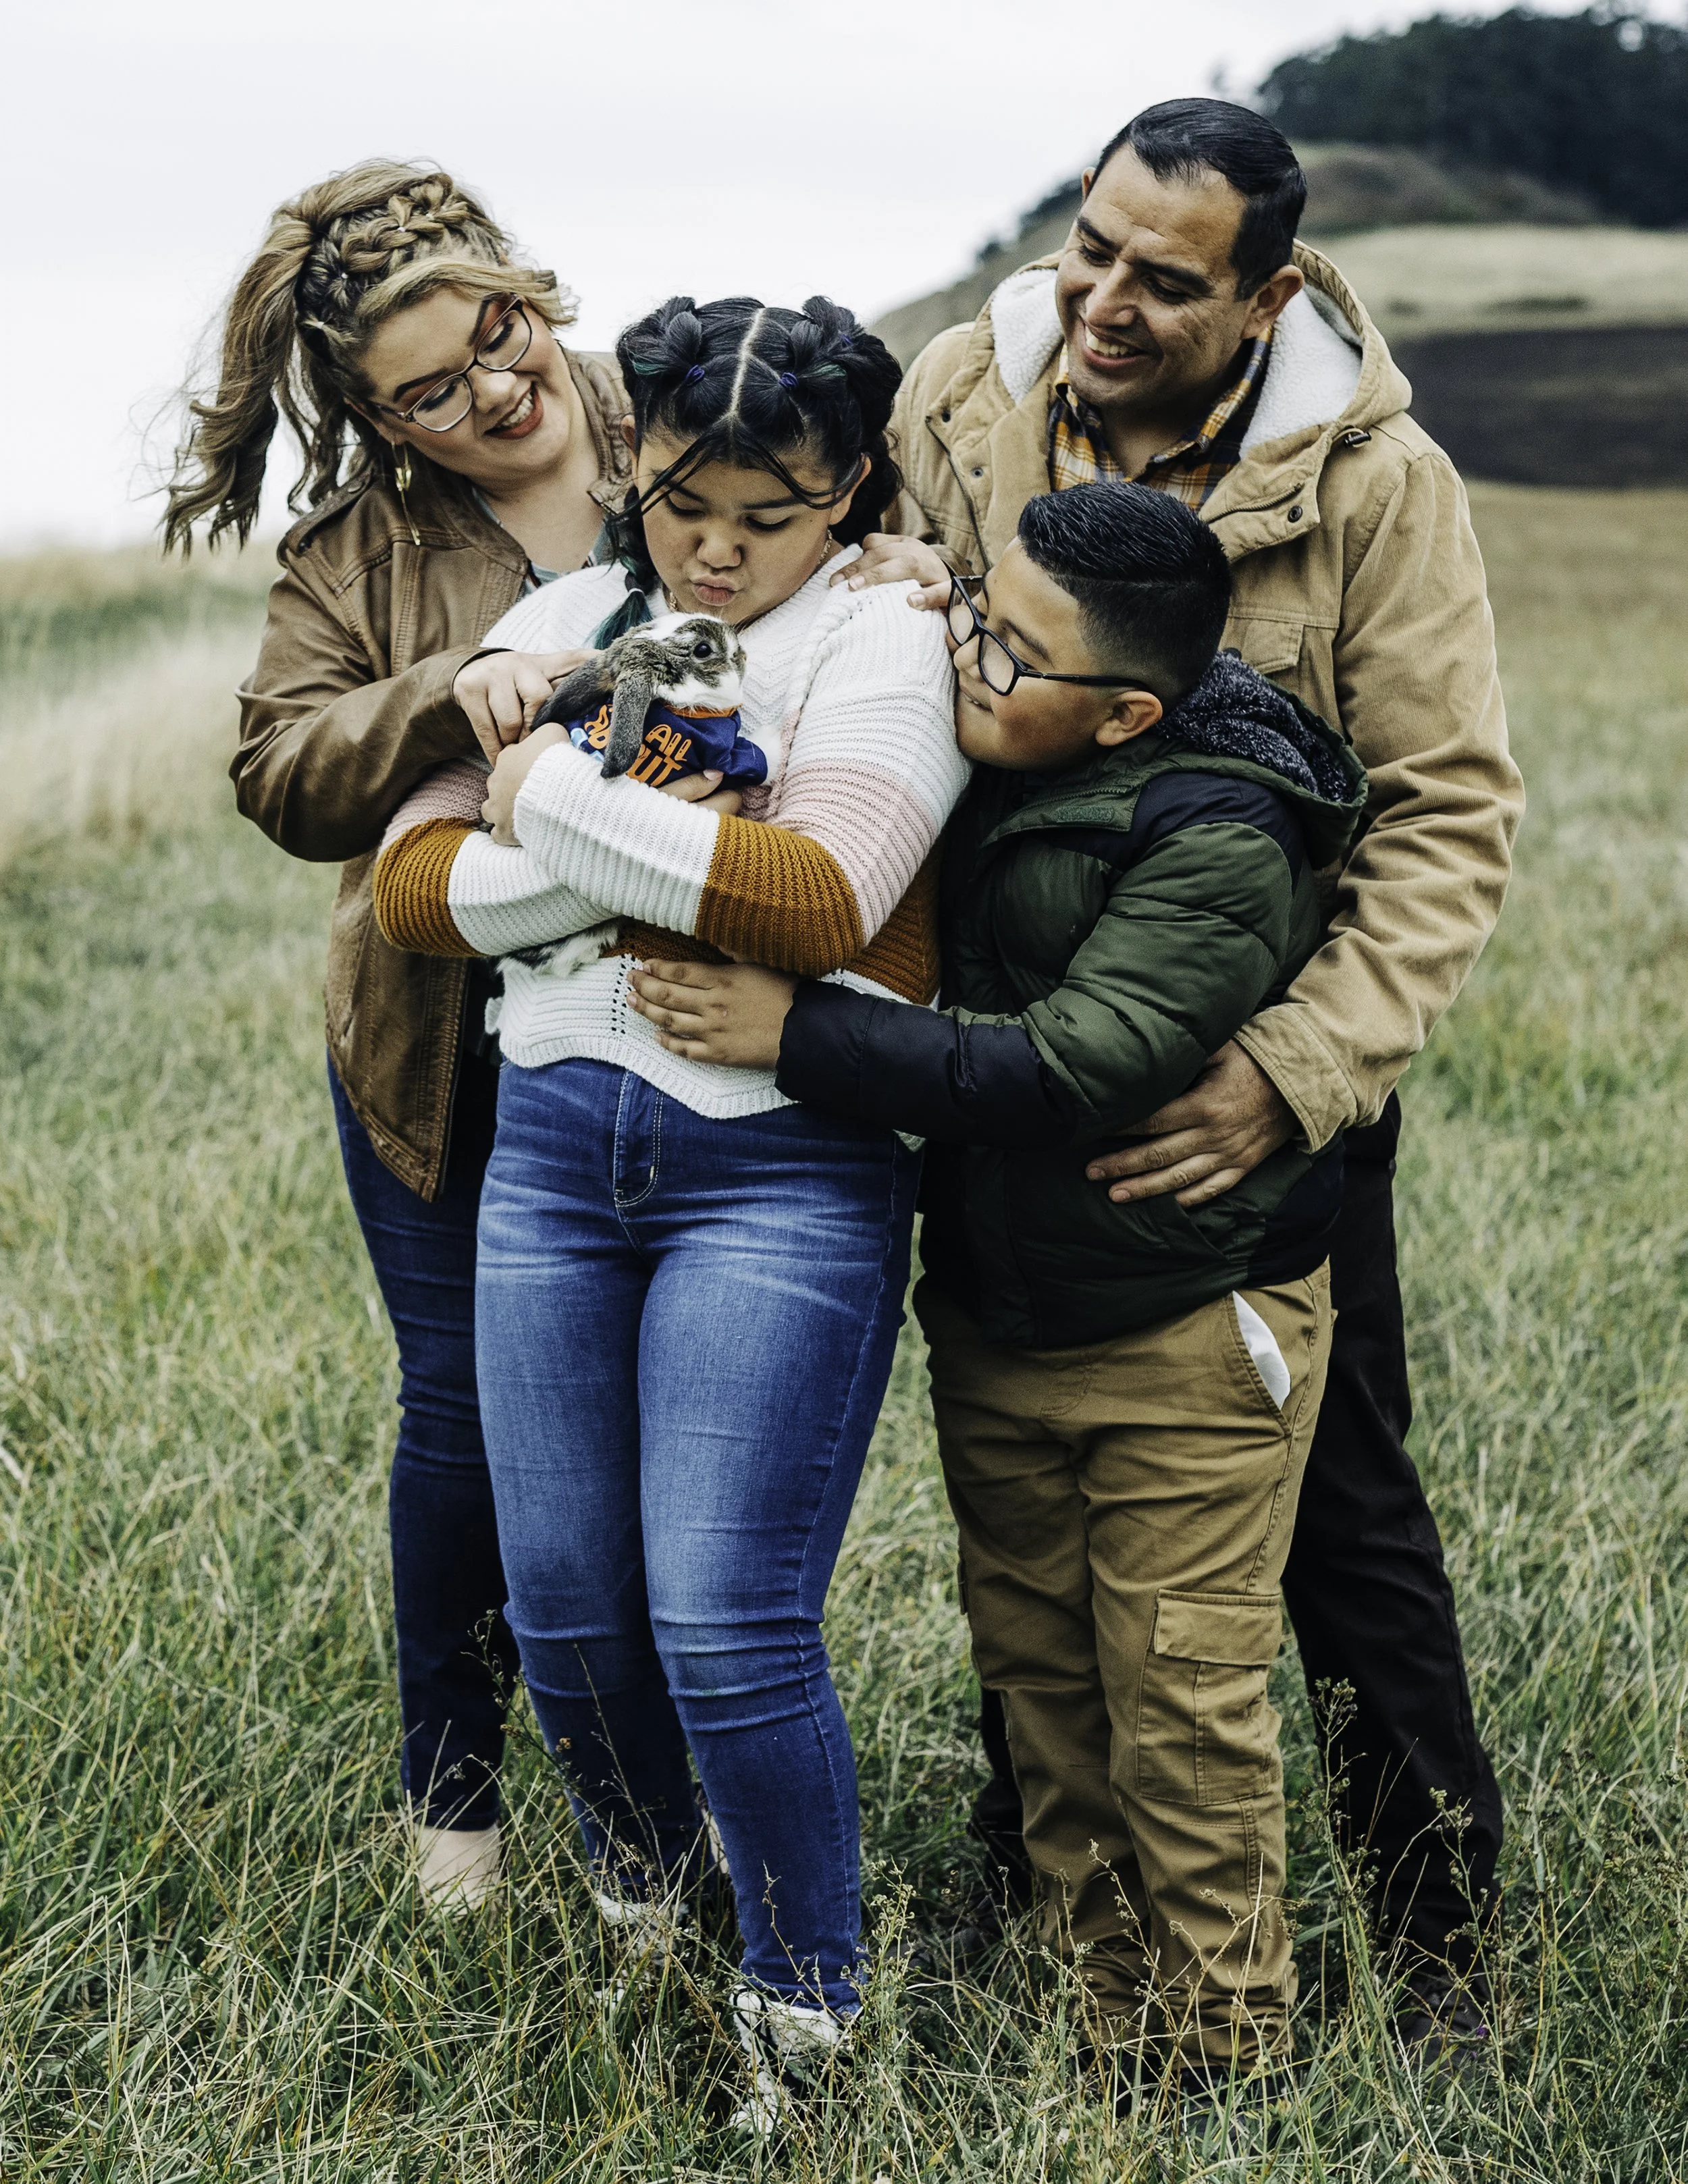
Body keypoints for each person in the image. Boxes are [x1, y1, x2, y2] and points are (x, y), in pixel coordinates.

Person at [843, 97, 1523, 2037]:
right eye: (1091, 246)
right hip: (993, 1063)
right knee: (1038, 1538)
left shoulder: (1376, 486)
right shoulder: (955, 403)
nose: (1105, 299)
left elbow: (1446, 815)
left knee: (1347, 1526)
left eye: (1164, 277)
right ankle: (1069, 1922)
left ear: (1266, 294)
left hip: (1250, 1104)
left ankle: (1435, 1943)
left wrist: (1291, 1073)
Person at [625, 479, 1367, 2095]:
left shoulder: (1221, 830)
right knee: (1039, 1688)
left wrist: (794, 1037)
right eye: (974, 608)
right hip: (996, 1318)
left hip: (1179, 1327)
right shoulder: (999, 734)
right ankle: (1101, 2021)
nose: (963, 654)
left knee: (1178, 1705)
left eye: (1005, 648)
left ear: (1123, 716)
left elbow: (1073, 1065)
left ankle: (1223, 2066)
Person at [371, 294, 968, 2129]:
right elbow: (407, 893)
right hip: (549, 1160)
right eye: (685, 498)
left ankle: (805, 2021)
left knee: (721, 1614)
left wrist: (543, 792)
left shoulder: (884, 632)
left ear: (848, 489)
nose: (714, 544)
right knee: (564, 1608)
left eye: (768, 512)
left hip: (776, 1169)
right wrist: (623, 866)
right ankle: (647, 1909)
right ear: (638, 461)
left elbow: (819, 891)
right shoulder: (559, 625)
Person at [163, 159, 633, 1909]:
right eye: (426, 392)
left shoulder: (689, 417)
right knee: (466, 1416)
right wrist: (448, 685)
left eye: (494, 337)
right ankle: (454, 1806)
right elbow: (277, 771)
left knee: (646, 1432)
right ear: (371, 417)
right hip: (443, 1047)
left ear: (530, 287)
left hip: (686, 1023)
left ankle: (643, 1799)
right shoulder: (354, 555)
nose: (489, 393)